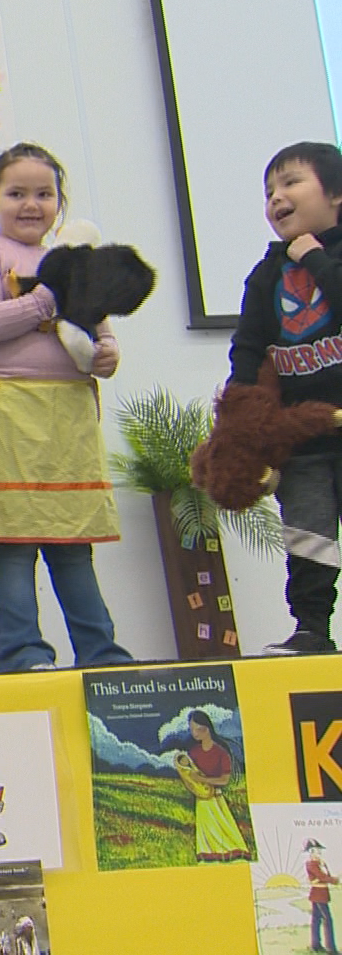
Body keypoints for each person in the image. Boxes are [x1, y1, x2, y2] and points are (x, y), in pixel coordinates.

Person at [0, 143, 133, 670]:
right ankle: (22, 653)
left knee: (72, 542)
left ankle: (101, 653)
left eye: (44, 194)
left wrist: (107, 353)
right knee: (14, 543)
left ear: (59, 203)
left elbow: (99, 333)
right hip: (6, 412)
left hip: (67, 415)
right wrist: (51, 293)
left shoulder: (78, 262)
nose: (30, 204)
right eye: (16, 193)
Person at [230, 141, 342, 656]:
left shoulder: (326, 259)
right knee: (308, 538)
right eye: (269, 190)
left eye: (291, 182)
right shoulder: (267, 273)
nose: (277, 197)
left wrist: (316, 259)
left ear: (336, 194)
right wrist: (243, 428)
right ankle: (311, 630)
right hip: (305, 438)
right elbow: (249, 350)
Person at [174, 708, 251, 863]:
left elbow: (224, 780)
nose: (194, 733)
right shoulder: (194, 753)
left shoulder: (220, 753)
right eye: (191, 729)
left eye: (196, 729)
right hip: (201, 799)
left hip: (216, 798)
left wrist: (204, 780)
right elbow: (189, 773)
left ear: (206, 728)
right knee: (206, 832)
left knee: (224, 828)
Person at [310, 838, 339, 955]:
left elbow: (325, 876)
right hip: (318, 895)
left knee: (316, 919)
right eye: (317, 850)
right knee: (327, 920)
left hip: (322, 894)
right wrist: (334, 880)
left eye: (319, 850)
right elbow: (322, 877)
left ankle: (316, 945)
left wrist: (330, 878)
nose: (319, 852)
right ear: (311, 851)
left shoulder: (321, 863)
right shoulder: (311, 864)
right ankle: (330, 949)